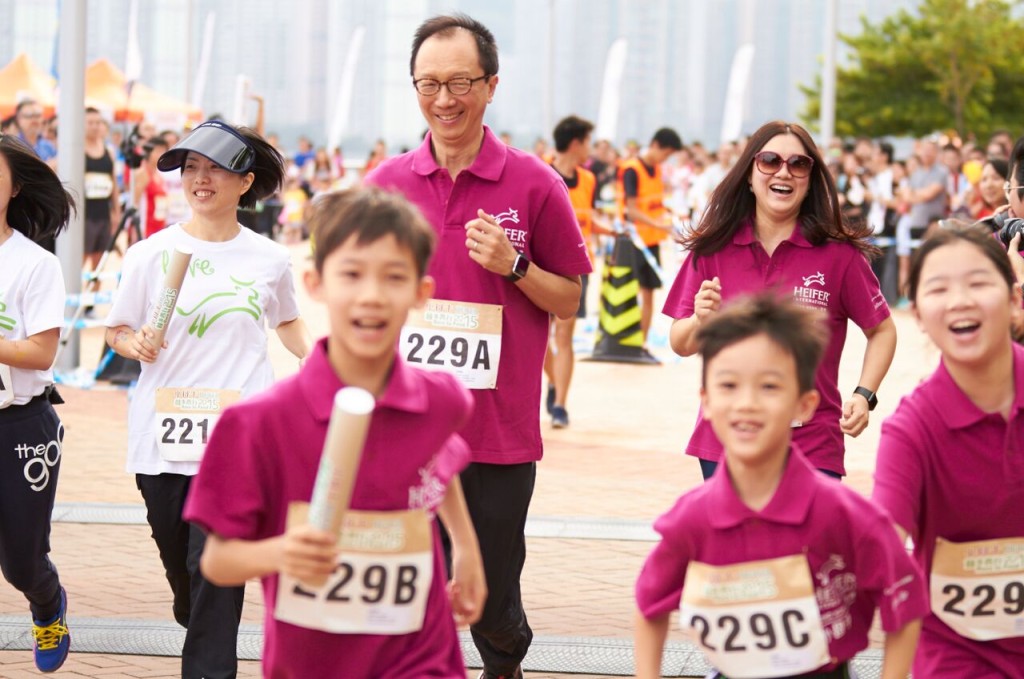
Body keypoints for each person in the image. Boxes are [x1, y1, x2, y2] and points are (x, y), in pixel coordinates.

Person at [364, 13, 592, 679]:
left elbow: (572, 298)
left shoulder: (534, 183)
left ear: (491, 85)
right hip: (403, 426)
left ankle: (504, 660)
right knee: (406, 583)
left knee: (490, 591)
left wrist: (515, 266)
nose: (444, 98)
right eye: (428, 83)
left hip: (496, 430)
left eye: (460, 81)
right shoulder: (387, 183)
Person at [184, 188, 487, 677]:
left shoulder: (444, 401)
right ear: (316, 283)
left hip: (422, 657)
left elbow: (438, 462)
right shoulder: (257, 423)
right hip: (310, 662)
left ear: (420, 292)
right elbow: (218, 562)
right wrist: (281, 552)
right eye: (352, 274)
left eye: (394, 277)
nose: (371, 294)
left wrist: (467, 550)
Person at [103, 120, 312, 679]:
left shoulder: (268, 259)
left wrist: (318, 362)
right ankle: (190, 603)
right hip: (164, 435)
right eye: (190, 167)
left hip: (238, 436)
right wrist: (134, 340)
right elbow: (115, 329)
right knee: (184, 562)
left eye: (214, 167)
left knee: (215, 567)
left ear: (244, 182)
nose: (200, 178)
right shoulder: (152, 255)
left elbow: (288, 321)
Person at [634, 293, 927, 679]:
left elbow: (905, 599)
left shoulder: (845, 514)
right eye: (729, 385)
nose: (747, 404)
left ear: (804, 404)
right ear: (705, 401)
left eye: (769, 387)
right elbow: (649, 604)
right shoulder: (691, 517)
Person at [665, 121, 896, 480]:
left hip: (812, 441)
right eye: (770, 161)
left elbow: (881, 330)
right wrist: (700, 319)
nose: (783, 172)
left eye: (798, 164)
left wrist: (864, 395)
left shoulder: (840, 255)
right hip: (727, 438)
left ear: (810, 177)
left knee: (807, 539)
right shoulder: (713, 250)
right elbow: (681, 343)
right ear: (749, 173)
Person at [872, 225, 1024, 676]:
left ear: (1015, 298)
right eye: (939, 289)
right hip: (956, 660)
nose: (960, 300)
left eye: (978, 283)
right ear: (918, 313)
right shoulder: (911, 431)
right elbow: (884, 543)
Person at [0, 134, 75, 672]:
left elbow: (40, 351)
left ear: (15, 187)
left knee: (21, 560)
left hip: (19, 424)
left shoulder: (33, 264)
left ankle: (47, 604)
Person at [543, 114, 609, 428]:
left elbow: (587, 220)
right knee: (541, 338)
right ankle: (554, 379)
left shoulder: (589, 180)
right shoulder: (539, 172)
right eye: (588, 142)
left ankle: (559, 405)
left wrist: (612, 231)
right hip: (539, 267)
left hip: (574, 269)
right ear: (575, 143)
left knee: (564, 335)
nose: (590, 149)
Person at [617, 127, 684, 358]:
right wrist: (660, 225)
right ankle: (627, 342)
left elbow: (654, 205)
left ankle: (642, 345)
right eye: (665, 154)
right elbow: (632, 210)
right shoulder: (631, 170)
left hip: (651, 242)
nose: (665, 159)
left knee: (649, 294)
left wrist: (671, 215)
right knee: (630, 293)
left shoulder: (655, 170)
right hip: (632, 242)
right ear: (655, 145)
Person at [132, 137, 170, 239]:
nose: (161, 154)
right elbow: (134, 203)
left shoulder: (160, 174)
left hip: (160, 225)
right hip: (145, 228)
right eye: (158, 151)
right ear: (148, 153)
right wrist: (135, 229)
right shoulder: (143, 173)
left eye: (164, 151)